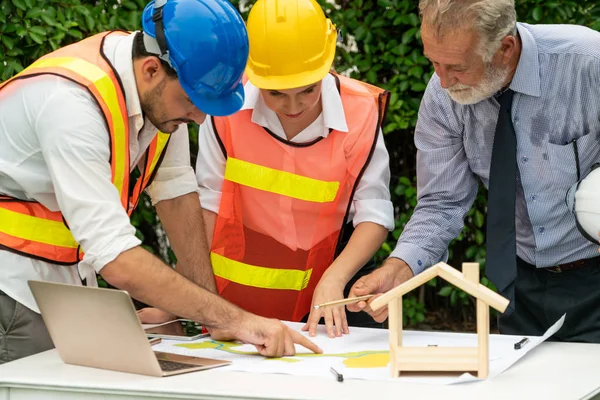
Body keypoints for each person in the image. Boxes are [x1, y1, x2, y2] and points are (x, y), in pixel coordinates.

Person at [0, 0, 320, 365]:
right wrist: (235, 319)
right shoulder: (72, 106)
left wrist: (210, 315)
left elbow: (176, 193)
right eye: (191, 100)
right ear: (152, 69)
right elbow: (116, 257)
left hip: (56, 284)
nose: (199, 118)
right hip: (10, 287)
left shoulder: (157, 93)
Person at [348, 0, 600, 342]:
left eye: (457, 67)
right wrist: (400, 267)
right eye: (433, 62)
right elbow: (441, 204)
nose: (443, 81)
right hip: (516, 282)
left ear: (505, 49)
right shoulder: (441, 98)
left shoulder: (587, 62)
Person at [140, 0, 394, 338]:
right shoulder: (225, 107)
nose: (293, 106)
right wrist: (177, 302)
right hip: (239, 299)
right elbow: (207, 210)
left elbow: (374, 214)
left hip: (327, 292)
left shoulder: (360, 113)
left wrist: (335, 279)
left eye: (308, 89)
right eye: (276, 93)